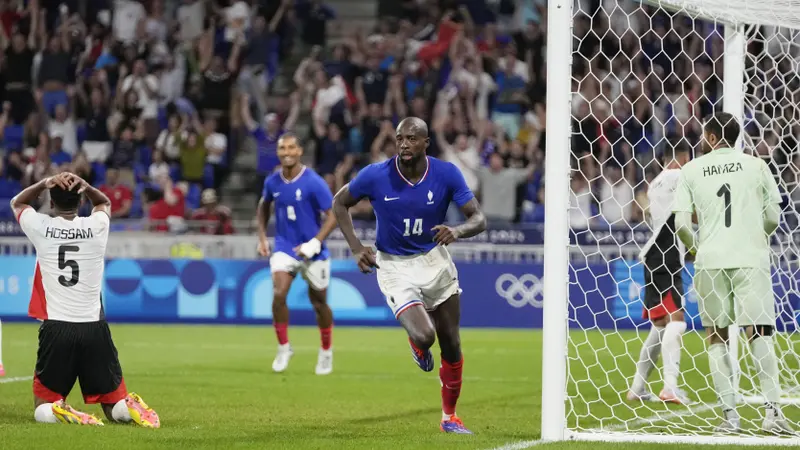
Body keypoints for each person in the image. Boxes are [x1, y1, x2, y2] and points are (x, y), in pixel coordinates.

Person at [331, 117, 487, 434]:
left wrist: (457, 231)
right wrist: (356, 246)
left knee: (452, 344)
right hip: (394, 265)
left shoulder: (445, 173)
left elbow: (479, 218)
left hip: (434, 260)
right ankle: (417, 345)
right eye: (400, 138)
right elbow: (339, 202)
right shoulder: (375, 175)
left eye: (412, 138)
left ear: (425, 143)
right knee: (425, 336)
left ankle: (449, 418)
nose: (404, 144)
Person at [10, 172, 160, 427]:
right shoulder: (95, 227)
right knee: (112, 405)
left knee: (42, 405)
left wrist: (43, 183)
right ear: (80, 203)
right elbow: (105, 204)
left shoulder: (43, 227)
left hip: (57, 327)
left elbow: (18, 203)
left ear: (52, 203)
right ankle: (127, 407)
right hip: (94, 327)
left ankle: (59, 411)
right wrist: (88, 186)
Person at [673, 112, 792, 433]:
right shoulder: (757, 165)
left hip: (709, 260)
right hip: (750, 257)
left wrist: (697, 249)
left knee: (716, 337)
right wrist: (755, 233)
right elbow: (773, 218)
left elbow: (682, 225)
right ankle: (773, 414)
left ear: (711, 138)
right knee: (760, 333)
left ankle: (730, 418)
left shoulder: (691, 169)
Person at [256, 134, 339, 375]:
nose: (286, 152)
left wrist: (315, 242)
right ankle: (284, 347)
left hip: (313, 251)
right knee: (279, 293)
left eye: (291, 147)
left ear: (300, 151)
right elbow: (263, 206)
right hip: (284, 247)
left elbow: (333, 215)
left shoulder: (313, 182)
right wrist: (262, 237)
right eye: (282, 148)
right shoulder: (272, 181)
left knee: (319, 303)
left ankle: (326, 351)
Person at [628, 146, 692, 405]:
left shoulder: (654, 183)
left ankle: (637, 388)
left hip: (654, 254)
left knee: (659, 326)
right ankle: (670, 387)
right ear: (684, 157)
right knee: (677, 321)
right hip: (667, 253)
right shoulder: (679, 177)